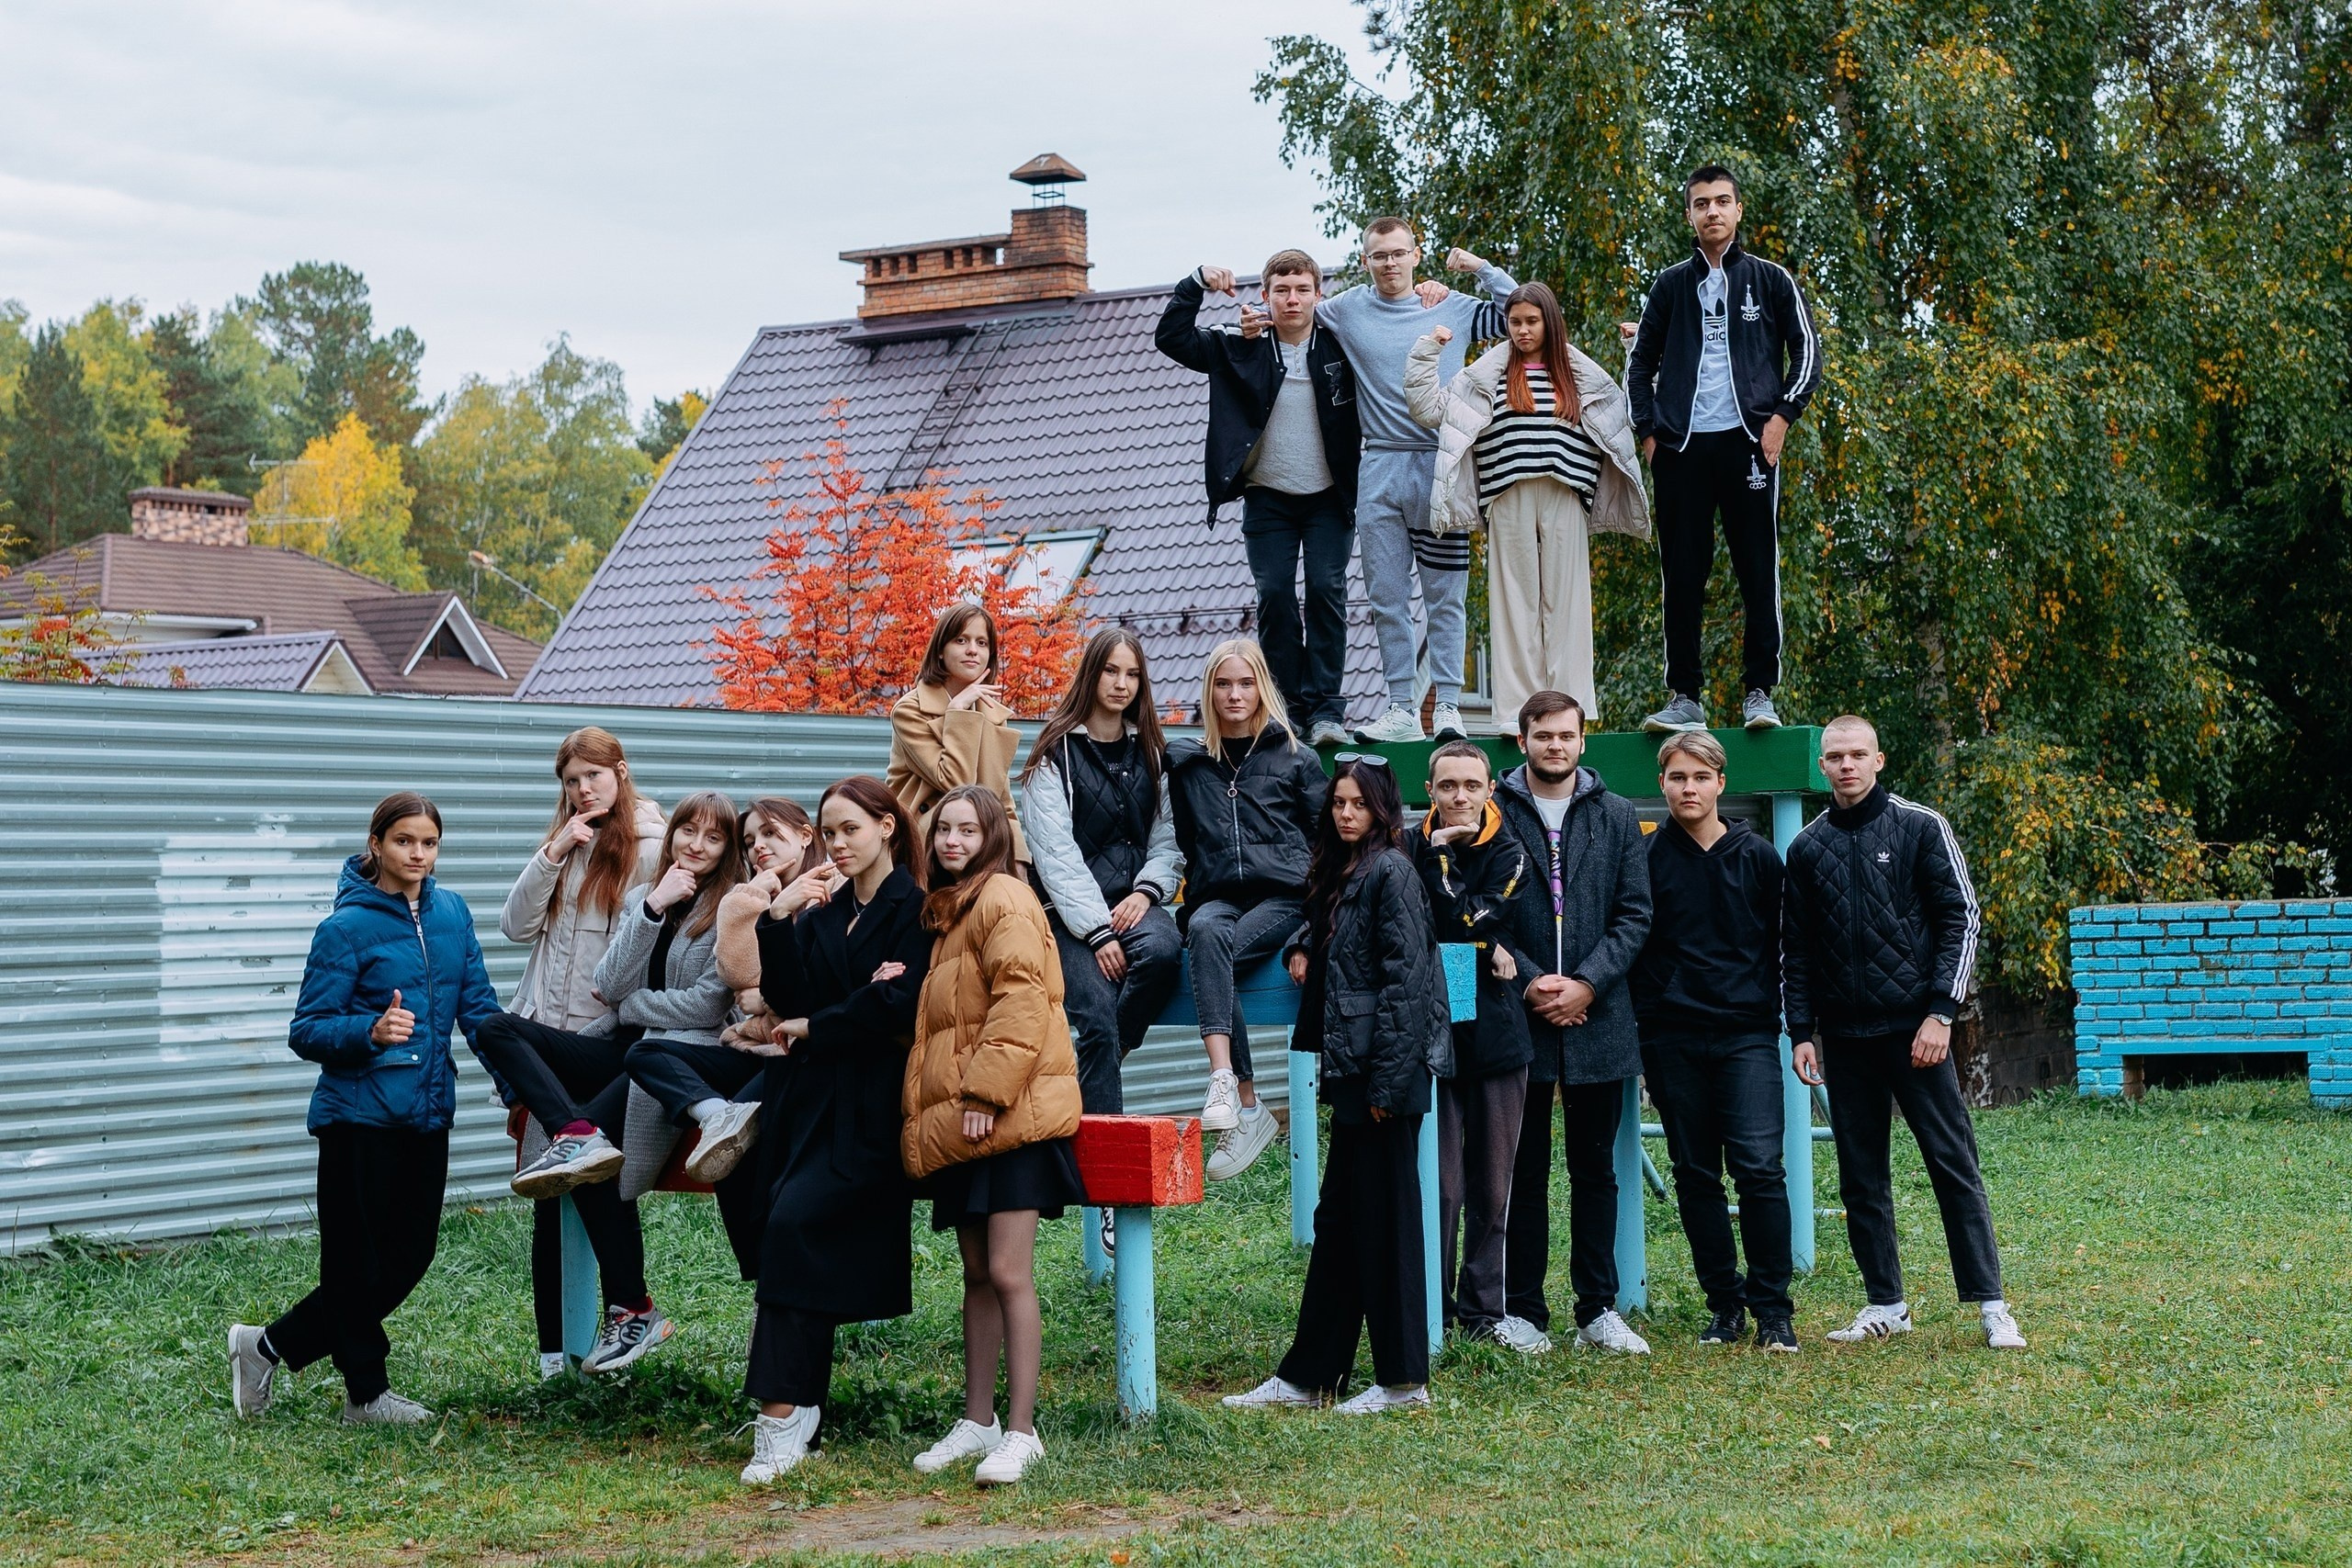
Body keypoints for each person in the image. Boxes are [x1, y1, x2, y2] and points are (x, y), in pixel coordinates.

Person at [229, 793, 499, 1426]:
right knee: (355, 1265)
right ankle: (366, 1394)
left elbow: (480, 1010)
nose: (418, 854)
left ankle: (264, 1345)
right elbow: (308, 1029)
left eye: (429, 842)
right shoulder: (344, 928)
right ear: (376, 843)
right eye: (405, 840)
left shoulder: (453, 914)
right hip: (357, 1116)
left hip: (427, 1111)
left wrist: (527, 1090)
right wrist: (370, 1032)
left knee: (410, 1257)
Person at [1784, 716, 2024, 1351]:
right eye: (1834, 756)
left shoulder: (1921, 826)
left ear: (1879, 759)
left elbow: (1961, 918)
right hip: (1844, 1036)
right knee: (1861, 1176)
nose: (1845, 765)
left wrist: (1942, 1012)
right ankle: (1886, 1302)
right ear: (1822, 766)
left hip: (1918, 1031)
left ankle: (1992, 1304)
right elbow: (1798, 949)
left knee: (1952, 1163)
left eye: (1857, 754)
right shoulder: (1807, 848)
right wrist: (1801, 1031)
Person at [1224, 757, 1453, 1413]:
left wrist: (1384, 1084)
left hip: (1384, 1077)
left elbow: (1406, 983)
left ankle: (1405, 1381)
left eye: (1358, 804)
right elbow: (1336, 938)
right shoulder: (1345, 871)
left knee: (1388, 1226)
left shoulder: (1393, 870)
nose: (1345, 813)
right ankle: (1310, 1375)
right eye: (1338, 803)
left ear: (1383, 808)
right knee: (1342, 1224)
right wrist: (1303, 941)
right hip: (1356, 1073)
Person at [1246, 219, 1518, 743]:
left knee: (1445, 595)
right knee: (1386, 597)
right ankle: (1399, 707)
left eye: (1398, 254)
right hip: (1379, 468)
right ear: (1366, 261)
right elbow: (1290, 313)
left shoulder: (1452, 306)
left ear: (1416, 255)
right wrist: (1250, 321)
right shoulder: (1345, 309)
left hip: (1442, 466)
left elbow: (1522, 316)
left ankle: (1448, 707)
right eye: (1378, 256)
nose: (1390, 263)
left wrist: (1481, 269)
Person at [736, 776, 935, 1483]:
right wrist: (776, 918)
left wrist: (824, 1022)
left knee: (793, 1229)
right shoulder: (821, 913)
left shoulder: (917, 908)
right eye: (829, 831)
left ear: (886, 825)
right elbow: (789, 996)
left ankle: (781, 1416)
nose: (838, 843)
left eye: (851, 827)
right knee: (790, 1241)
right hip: (807, 1107)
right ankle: (797, 1408)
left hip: (873, 1114)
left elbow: (899, 1007)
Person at [900, 785, 1086, 1487]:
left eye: (966, 829)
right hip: (970, 1126)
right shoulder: (951, 909)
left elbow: (1022, 996)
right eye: (942, 828)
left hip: (1009, 1118)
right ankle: (977, 1419)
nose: (951, 839)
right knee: (976, 1275)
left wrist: (983, 1089)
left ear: (993, 836)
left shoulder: (1004, 895)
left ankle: (1020, 1430)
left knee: (1009, 1273)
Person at [472, 728, 664, 1380]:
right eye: (572, 781)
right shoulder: (564, 844)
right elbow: (513, 926)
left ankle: (626, 1310)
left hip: (604, 1044)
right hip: (545, 1048)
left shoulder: (649, 847)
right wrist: (553, 852)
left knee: (589, 1181)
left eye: (594, 776)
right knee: (553, 1192)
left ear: (622, 770)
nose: (583, 790)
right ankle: (556, 1355)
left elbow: (644, 958)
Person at [543, 790, 741, 1375]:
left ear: (728, 848)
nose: (696, 846)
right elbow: (608, 981)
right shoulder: (643, 896)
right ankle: (632, 1310)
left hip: (682, 1061)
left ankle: (631, 1306)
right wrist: (654, 906)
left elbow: (709, 1006)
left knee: (589, 1154)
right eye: (688, 831)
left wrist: (635, 1006)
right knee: (577, 1150)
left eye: (713, 837)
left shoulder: (733, 903)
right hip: (631, 1051)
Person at [1624, 163, 1821, 735]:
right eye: (1701, 203)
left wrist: (1783, 416)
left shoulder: (1771, 279)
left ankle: (1759, 692)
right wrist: (1649, 433)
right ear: (1689, 214)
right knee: (1682, 573)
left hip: (1749, 443)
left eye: (1722, 201)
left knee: (1757, 568)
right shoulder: (1669, 286)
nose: (1712, 211)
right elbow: (1641, 362)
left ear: (1738, 210)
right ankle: (1685, 696)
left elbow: (1806, 352)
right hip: (1682, 447)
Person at [1406, 282, 1648, 728]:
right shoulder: (1487, 374)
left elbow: (1632, 410)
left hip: (1566, 494)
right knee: (1513, 603)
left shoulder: (1579, 374)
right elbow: (1427, 408)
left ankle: (1568, 710)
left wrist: (1636, 347)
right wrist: (1427, 352)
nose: (1521, 330)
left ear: (1549, 323)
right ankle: (1518, 712)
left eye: (1531, 321)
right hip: (1506, 495)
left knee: (1567, 603)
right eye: (1514, 322)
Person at [1492, 692, 1655, 1355]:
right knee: (1521, 1171)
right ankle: (1524, 1310)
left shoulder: (1616, 815)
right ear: (1523, 739)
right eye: (1542, 735)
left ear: (1583, 740)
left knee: (1595, 1170)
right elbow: (1484, 913)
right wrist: (1533, 981)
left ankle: (1598, 1309)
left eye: (1566, 735)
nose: (1554, 745)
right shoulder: (1494, 811)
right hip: (1518, 1012)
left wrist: (1586, 981)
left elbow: (1635, 913)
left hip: (1600, 1013)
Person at [1630, 730, 1796, 1351]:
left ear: (1721, 782)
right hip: (1672, 1037)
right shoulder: (1646, 858)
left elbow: (1788, 946)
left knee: (1758, 1168)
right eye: (1677, 777)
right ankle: (1724, 1306)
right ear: (1663, 783)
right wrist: (1654, 1013)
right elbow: (1634, 942)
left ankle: (1774, 1311)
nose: (1689, 787)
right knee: (1695, 1174)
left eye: (1700, 776)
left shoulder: (1760, 859)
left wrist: (1790, 1021)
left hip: (1746, 1036)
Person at [1157, 251, 1363, 747]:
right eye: (1282, 290)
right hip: (1268, 496)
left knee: (1325, 592)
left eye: (1302, 290)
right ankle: (1287, 709)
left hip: (1329, 497)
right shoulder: (1240, 342)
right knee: (1274, 596)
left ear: (1317, 294)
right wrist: (1196, 282)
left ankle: (1325, 711)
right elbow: (1172, 339)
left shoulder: (1341, 345)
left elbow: (1390, 328)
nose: (1292, 299)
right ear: (1265, 295)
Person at [1165, 638, 1327, 1179]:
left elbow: (1329, 844)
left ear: (1262, 687)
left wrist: (1310, 925)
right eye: (1223, 683)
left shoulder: (1296, 759)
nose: (1235, 694)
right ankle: (1234, 1090)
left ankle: (1246, 1101)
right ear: (1209, 691)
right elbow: (1182, 843)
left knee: (1220, 948)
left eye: (1245, 682)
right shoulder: (1190, 765)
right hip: (1217, 898)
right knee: (1206, 932)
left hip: (1285, 897)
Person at [1402, 740, 1540, 1348]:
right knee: (1442, 1185)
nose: (1460, 796)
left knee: (1491, 1184)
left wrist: (1479, 931)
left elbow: (1462, 918)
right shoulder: (1408, 847)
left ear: (1490, 789)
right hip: (1430, 1035)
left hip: (1499, 1037)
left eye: (1471, 785)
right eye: (1447, 785)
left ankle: (1484, 1314)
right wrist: (1492, 944)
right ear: (1429, 791)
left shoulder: (1512, 850)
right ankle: (1431, 1306)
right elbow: (1423, 917)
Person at [1020, 627, 1186, 1120]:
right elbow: (1055, 856)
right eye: (1111, 671)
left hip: (1137, 900)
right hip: (1069, 916)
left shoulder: (1154, 752)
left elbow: (1168, 837)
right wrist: (1096, 933)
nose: (1122, 683)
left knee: (1162, 950)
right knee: (1095, 1019)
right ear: (1092, 673)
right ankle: (1102, 1173)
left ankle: (1092, 1075)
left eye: (1133, 674)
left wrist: (1146, 893)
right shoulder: (1054, 755)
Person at [627, 796, 825, 1188]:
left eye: (770, 834)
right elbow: (740, 973)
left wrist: (764, 999)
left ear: (805, 836)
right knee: (645, 1053)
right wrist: (750, 899)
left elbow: (801, 988)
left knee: (743, 1169)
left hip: (803, 1054)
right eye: (750, 842)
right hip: (758, 1047)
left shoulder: (830, 891)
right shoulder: (759, 894)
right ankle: (719, 1115)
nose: (759, 847)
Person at [888, 602, 1028, 863]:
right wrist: (959, 711)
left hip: (978, 843)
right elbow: (957, 786)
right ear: (941, 650)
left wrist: (1018, 861)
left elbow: (1002, 799)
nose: (973, 650)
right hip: (922, 844)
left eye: (982, 643)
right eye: (961, 640)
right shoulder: (910, 710)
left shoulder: (993, 715)